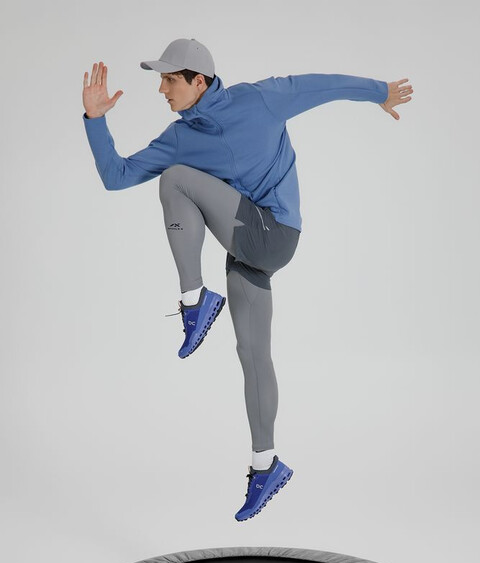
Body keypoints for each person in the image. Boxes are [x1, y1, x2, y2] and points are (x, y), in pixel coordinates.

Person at [82, 38, 413, 521]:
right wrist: (95, 120)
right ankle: (266, 465)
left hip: (274, 231)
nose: (162, 89)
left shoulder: (259, 100)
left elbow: (322, 86)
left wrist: (379, 90)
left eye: (170, 79)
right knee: (253, 356)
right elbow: (117, 176)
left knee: (175, 178)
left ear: (199, 81)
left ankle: (194, 300)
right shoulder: (178, 136)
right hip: (246, 250)